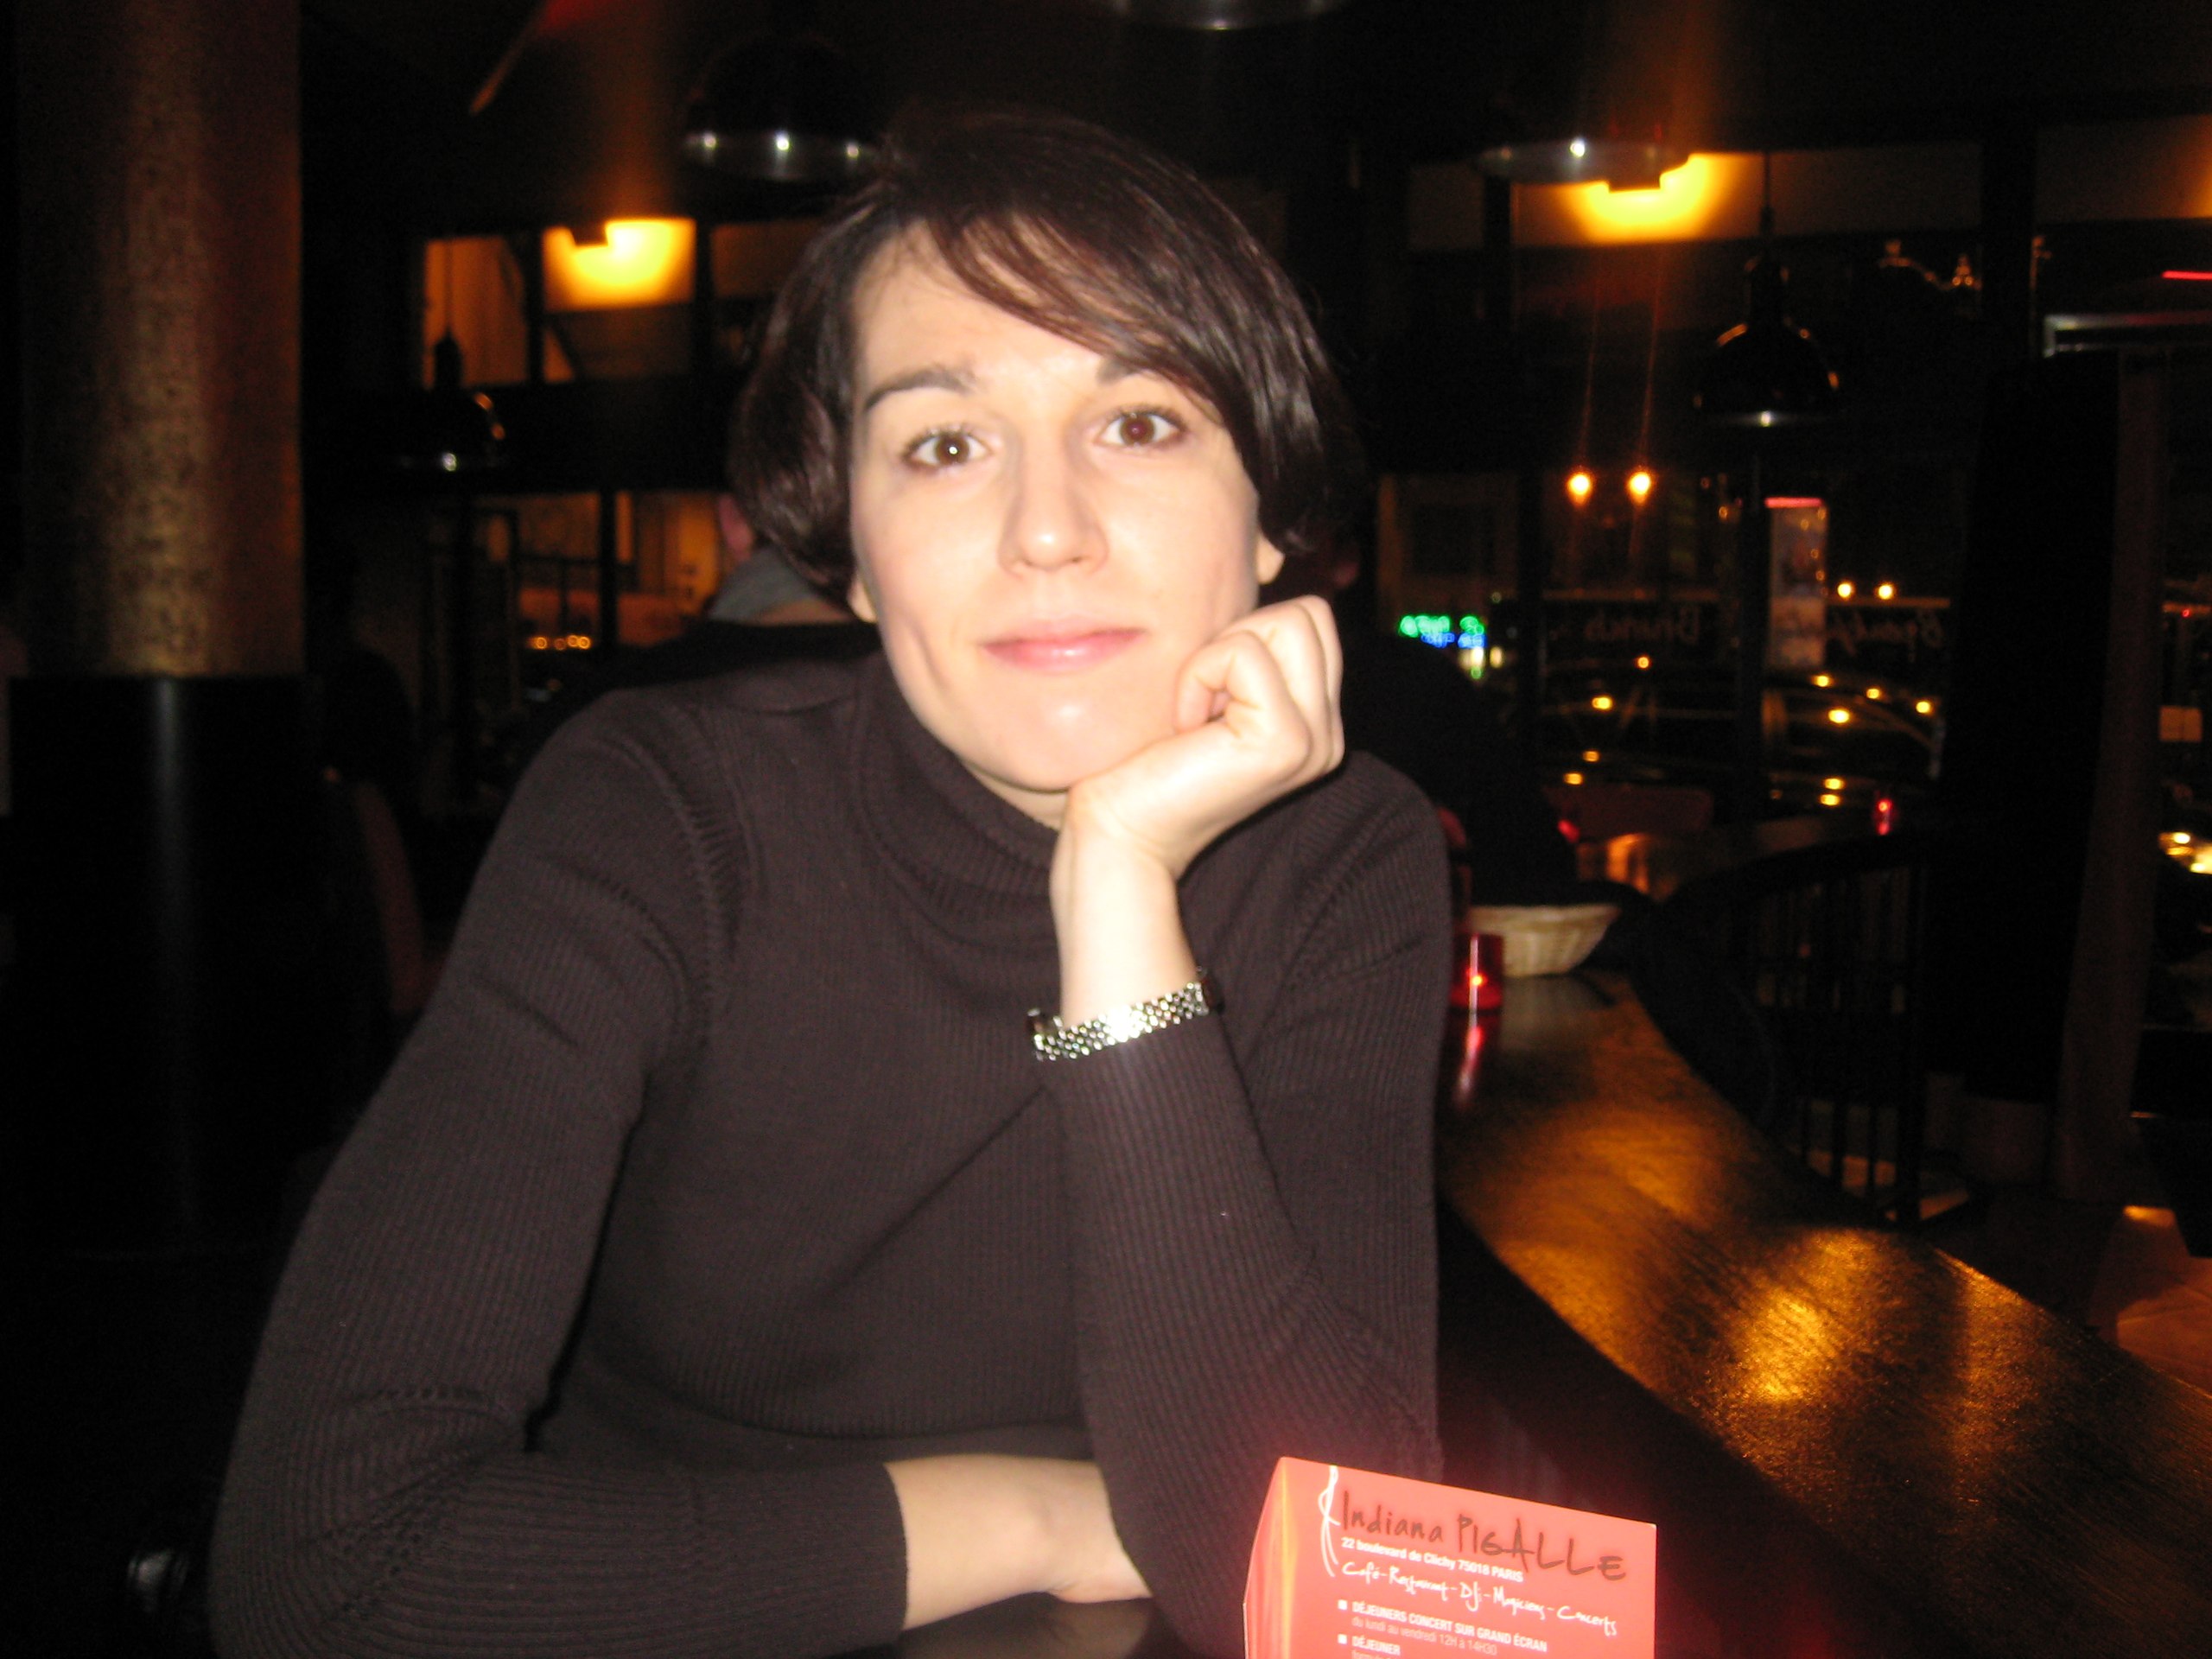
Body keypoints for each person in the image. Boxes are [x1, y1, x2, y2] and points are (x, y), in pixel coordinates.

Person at [212, 107, 1450, 1659]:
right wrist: (1031, 1518)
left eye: (1139, 423)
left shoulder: (1349, 856)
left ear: (1272, 519)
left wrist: (1121, 895)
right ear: (853, 550)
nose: (1047, 530)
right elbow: (326, 1568)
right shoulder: (663, 813)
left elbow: (1333, 1585)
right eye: (945, 444)